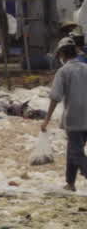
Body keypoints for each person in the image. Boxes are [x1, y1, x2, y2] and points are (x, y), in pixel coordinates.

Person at [42, 43, 87, 192]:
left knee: (76, 151)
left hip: (74, 116)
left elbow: (55, 97)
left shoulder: (63, 71)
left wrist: (47, 119)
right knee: (72, 149)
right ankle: (70, 183)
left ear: (62, 55)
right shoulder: (86, 68)